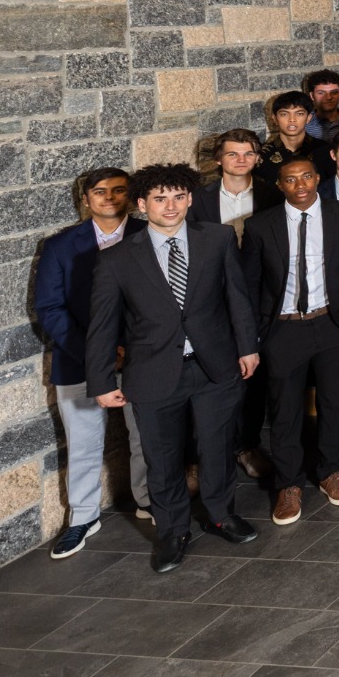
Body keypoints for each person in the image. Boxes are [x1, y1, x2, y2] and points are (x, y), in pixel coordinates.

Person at [86, 163, 260, 574]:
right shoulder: (116, 259)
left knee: (217, 447)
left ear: (190, 199)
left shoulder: (217, 238)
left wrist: (248, 347)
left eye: (179, 197)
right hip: (153, 371)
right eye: (160, 198)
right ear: (141, 204)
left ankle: (220, 515)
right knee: (161, 458)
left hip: (214, 365)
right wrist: (101, 381)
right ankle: (172, 530)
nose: (171, 206)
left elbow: (237, 298)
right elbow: (102, 326)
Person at [35, 167, 151, 558]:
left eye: (119, 190)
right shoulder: (59, 246)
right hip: (77, 360)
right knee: (83, 445)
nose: (110, 198)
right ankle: (83, 518)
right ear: (85, 199)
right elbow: (50, 309)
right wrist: (97, 353)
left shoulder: (150, 234)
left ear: (131, 196)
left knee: (146, 437)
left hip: (141, 358)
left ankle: (148, 499)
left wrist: (132, 348)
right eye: (100, 191)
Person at [242, 157, 339, 525]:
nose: (300, 185)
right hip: (283, 329)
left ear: (318, 178)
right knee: (285, 410)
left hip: (331, 324)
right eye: (291, 180)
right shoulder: (260, 226)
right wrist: (252, 338)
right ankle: (289, 484)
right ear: (280, 186)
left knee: (335, 403)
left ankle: (331, 471)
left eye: (306, 176)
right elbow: (248, 286)